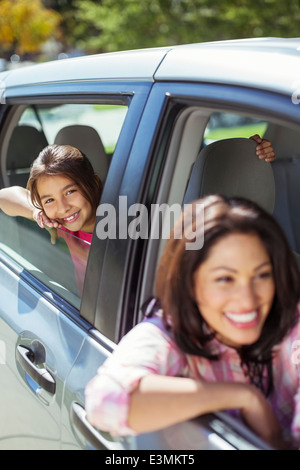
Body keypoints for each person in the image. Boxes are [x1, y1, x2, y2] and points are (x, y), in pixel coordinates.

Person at [85, 194, 300, 450]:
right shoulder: (168, 335)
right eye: (225, 279)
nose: (247, 300)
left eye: (262, 275)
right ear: (189, 282)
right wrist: (244, 396)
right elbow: (105, 402)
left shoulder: (291, 325)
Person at [0, 144, 102, 292]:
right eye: (49, 200)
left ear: (94, 183)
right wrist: (36, 211)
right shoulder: (60, 223)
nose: (63, 208)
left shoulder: (120, 226)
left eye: (70, 192)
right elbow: (3, 197)